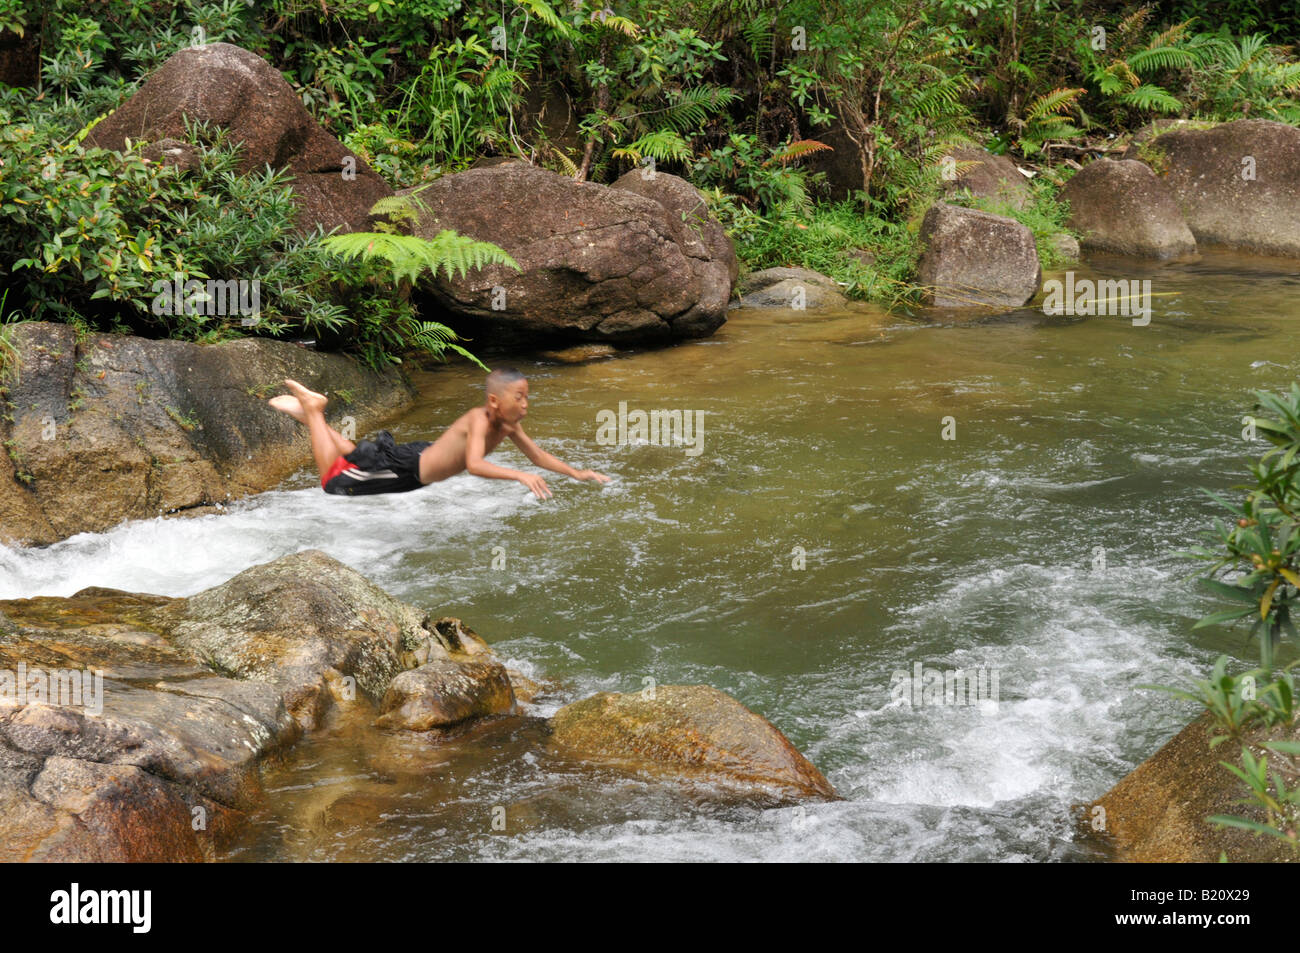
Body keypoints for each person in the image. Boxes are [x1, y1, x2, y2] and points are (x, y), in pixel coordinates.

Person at [270, 369, 610, 499]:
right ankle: (314, 411)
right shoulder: (480, 419)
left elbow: (538, 456)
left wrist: (576, 473)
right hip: (410, 468)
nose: (525, 403)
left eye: (527, 396)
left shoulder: (507, 425)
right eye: (518, 396)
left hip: (418, 462)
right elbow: (474, 464)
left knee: (357, 458)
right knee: (333, 482)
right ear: (494, 400)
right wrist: (519, 476)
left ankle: (310, 418)